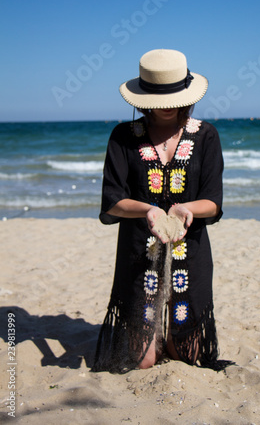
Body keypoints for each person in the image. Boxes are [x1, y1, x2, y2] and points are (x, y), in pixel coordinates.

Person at [92, 49, 226, 373]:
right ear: (142, 96)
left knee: (186, 354)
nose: (166, 106)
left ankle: (175, 337)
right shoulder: (123, 137)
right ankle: (147, 334)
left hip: (189, 251)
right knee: (143, 361)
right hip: (139, 249)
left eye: (172, 98)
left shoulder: (205, 135)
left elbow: (213, 201)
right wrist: (148, 210)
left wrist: (185, 209)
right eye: (157, 99)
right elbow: (112, 200)